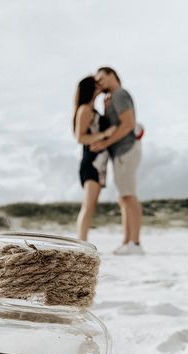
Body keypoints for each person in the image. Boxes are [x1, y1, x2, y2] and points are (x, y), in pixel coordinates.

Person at [91, 67, 144, 255]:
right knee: (123, 197)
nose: (99, 83)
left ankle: (135, 243)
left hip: (126, 149)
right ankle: (127, 241)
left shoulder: (119, 94)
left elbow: (128, 124)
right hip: (121, 151)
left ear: (112, 75)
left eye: (101, 79)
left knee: (128, 195)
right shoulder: (113, 98)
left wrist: (105, 143)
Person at [73, 76, 116, 241]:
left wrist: (106, 110)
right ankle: (81, 242)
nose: (100, 86)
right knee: (88, 206)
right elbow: (80, 137)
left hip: (99, 164)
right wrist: (105, 134)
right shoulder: (84, 109)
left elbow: (96, 128)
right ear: (91, 89)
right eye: (97, 84)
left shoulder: (93, 110)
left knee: (91, 206)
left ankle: (82, 241)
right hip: (91, 162)